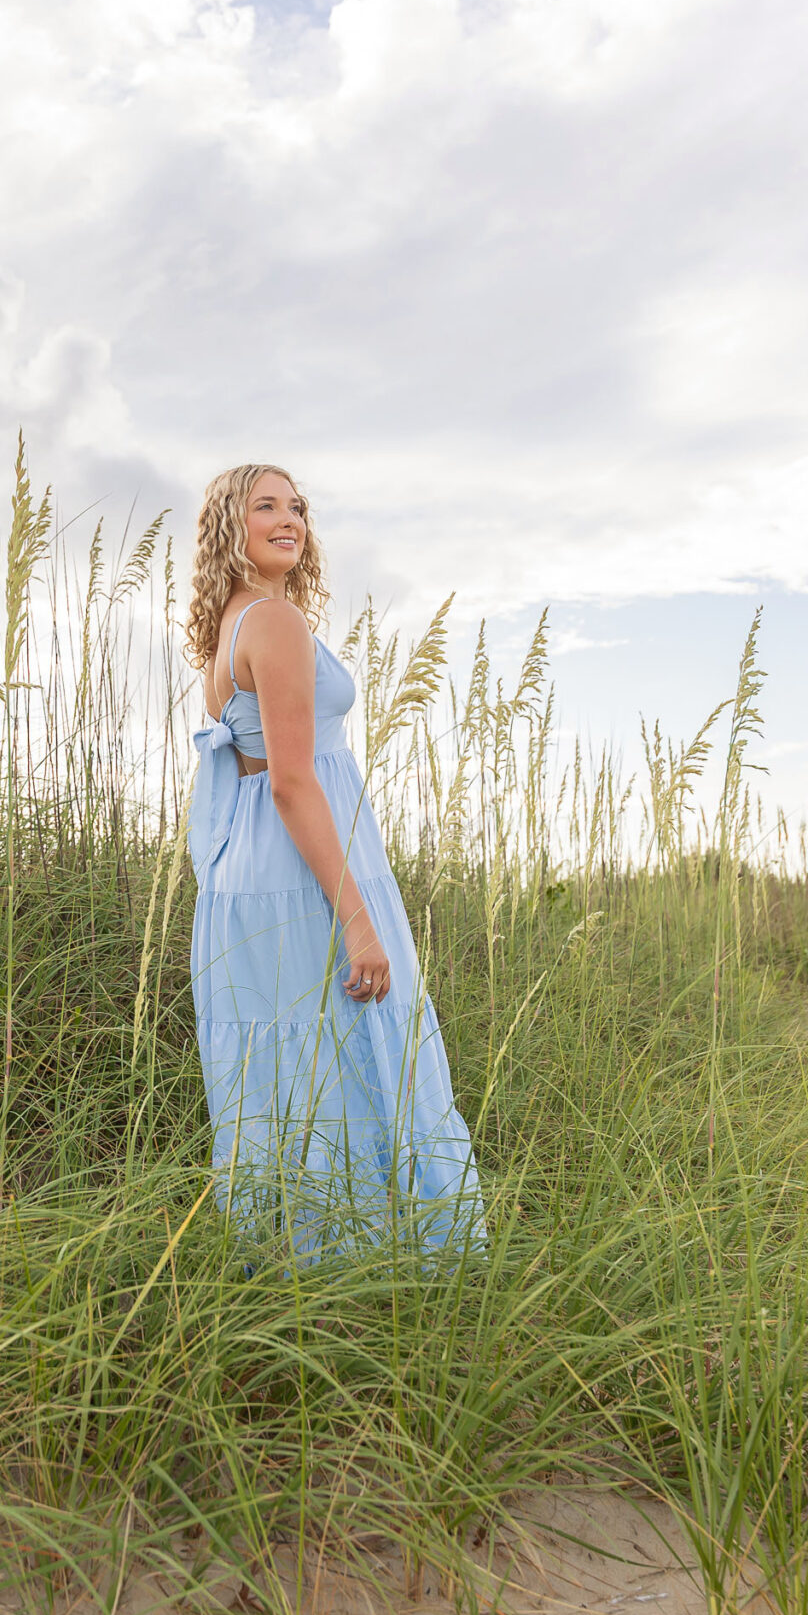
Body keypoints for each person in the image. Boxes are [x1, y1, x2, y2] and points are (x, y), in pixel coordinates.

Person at [182, 463, 485, 1261]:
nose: (291, 520)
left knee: (288, 1073)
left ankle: (291, 1272)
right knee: (351, 1053)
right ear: (229, 527)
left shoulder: (233, 623)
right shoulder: (273, 623)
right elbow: (290, 779)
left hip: (251, 873)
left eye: (299, 507)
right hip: (299, 870)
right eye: (267, 507)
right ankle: (375, 1273)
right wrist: (358, 918)